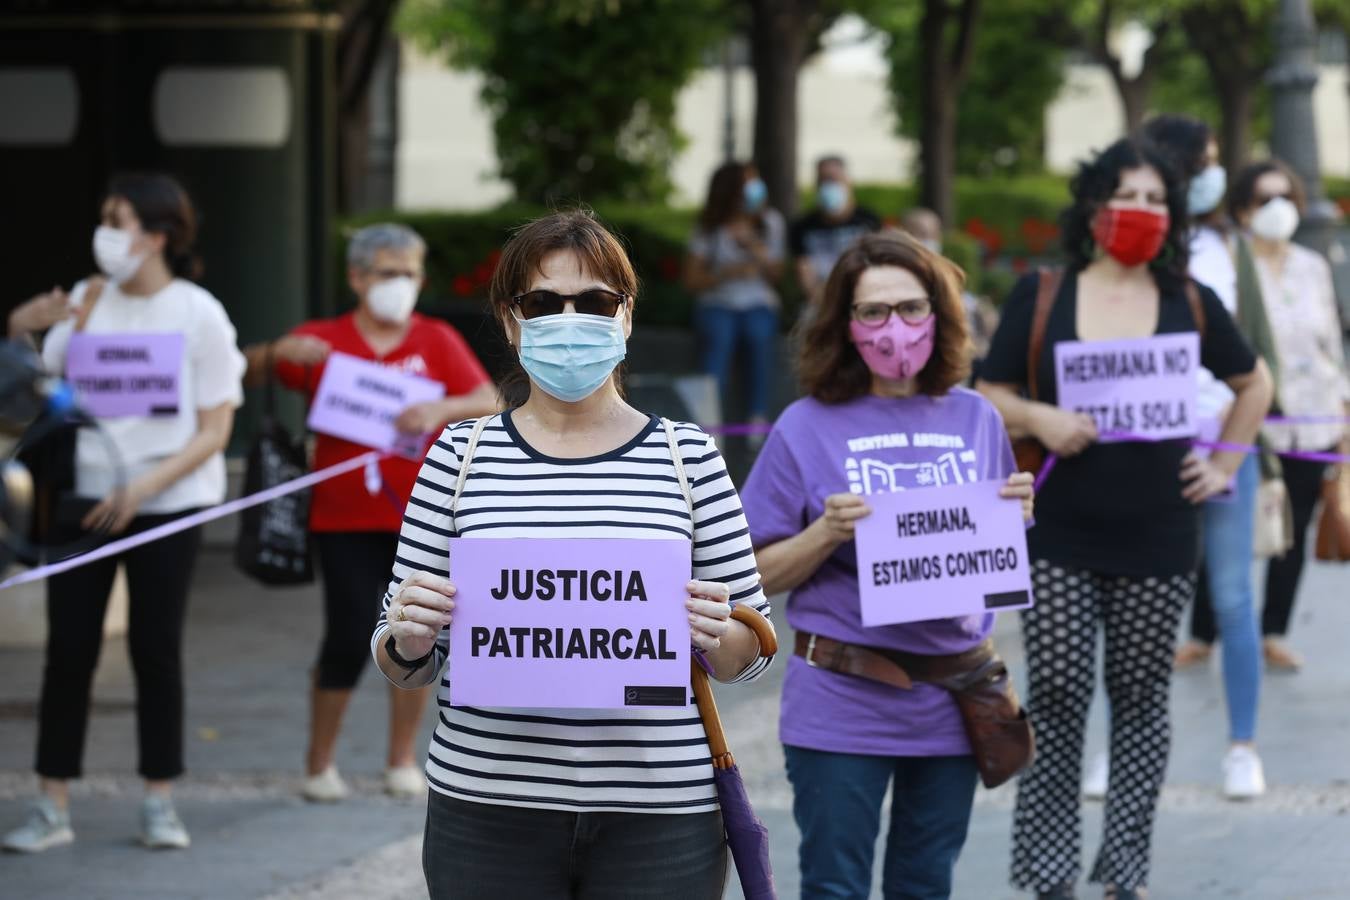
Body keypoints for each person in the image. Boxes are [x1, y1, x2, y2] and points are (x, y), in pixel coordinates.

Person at [370, 210, 775, 899]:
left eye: (593, 301)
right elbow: (402, 661)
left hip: (660, 815)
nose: (569, 318)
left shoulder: (688, 457)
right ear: (508, 319)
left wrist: (718, 631)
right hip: (486, 809)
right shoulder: (458, 457)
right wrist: (410, 633)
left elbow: (751, 652)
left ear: (625, 316)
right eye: (541, 302)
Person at [976, 138, 1271, 898]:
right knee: (1063, 688)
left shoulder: (1190, 300)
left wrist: (1227, 464)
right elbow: (989, 391)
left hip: (1161, 534)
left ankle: (1126, 874)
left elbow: (1253, 382)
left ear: (1172, 215)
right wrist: (1041, 414)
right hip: (1058, 533)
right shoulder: (1046, 291)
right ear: (1094, 206)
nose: (1140, 211)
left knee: (1141, 698)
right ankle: (1049, 873)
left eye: (1155, 199)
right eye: (1126, 195)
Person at [742, 231, 1035, 900]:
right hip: (843, 699)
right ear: (844, 326)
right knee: (835, 886)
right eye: (873, 312)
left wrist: (1013, 517)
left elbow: (991, 562)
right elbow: (750, 571)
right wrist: (825, 533)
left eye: (910, 307)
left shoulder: (976, 417)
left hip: (953, 696)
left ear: (940, 313)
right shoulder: (804, 425)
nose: (894, 328)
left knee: (926, 884)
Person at [3, 173, 247, 853]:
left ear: (159, 234)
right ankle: (51, 805)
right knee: (68, 653)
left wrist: (142, 491)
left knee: (155, 650)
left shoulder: (199, 313)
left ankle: (160, 800)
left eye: (120, 219)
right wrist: (24, 327)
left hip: (165, 505)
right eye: (105, 216)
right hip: (82, 501)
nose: (107, 232)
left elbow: (215, 429)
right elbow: (38, 392)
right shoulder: (86, 298)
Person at [241, 223, 499, 802]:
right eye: (388, 273)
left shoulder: (435, 338)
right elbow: (244, 373)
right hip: (343, 517)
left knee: (417, 631)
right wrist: (277, 352)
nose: (401, 285)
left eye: (410, 274)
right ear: (357, 278)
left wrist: (440, 406)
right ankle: (318, 761)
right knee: (347, 631)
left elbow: (490, 399)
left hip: (423, 515)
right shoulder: (325, 338)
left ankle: (400, 758)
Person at [1141, 114, 1271, 799]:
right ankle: (1118, 745)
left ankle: (1242, 746)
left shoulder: (1226, 248)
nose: (1219, 172)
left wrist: (1228, 452)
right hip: (1143, 450)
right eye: (1210, 160)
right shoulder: (1123, 255)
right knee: (1129, 599)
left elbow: (1254, 360)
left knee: (1233, 596)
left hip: (1222, 444)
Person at [1214, 160, 1349, 671]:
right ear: (1243, 208)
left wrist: (1342, 416)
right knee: (1229, 523)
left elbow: (1332, 347)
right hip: (1248, 418)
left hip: (1313, 418)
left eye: (1285, 198)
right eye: (1263, 198)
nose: (1276, 209)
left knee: (1293, 529)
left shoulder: (1312, 266)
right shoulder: (1229, 263)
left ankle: (1274, 631)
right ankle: (1207, 632)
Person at [684, 161, 785, 433]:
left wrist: (753, 245)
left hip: (758, 303)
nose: (755, 189)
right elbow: (691, 280)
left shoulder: (771, 222)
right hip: (717, 303)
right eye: (747, 183)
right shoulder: (709, 227)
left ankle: (757, 421)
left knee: (758, 336)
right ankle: (706, 426)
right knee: (719, 340)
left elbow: (777, 275)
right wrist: (727, 273)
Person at [900, 207, 999, 365]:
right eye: (922, 233)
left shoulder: (947, 273)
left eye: (934, 234)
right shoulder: (893, 278)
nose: (929, 240)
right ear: (905, 235)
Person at [790, 154, 881, 306]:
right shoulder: (803, 226)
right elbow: (804, 273)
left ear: (847, 181)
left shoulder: (869, 221)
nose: (828, 185)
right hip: (820, 302)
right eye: (822, 180)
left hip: (864, 299)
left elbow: (877, 265)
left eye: (833, 179)